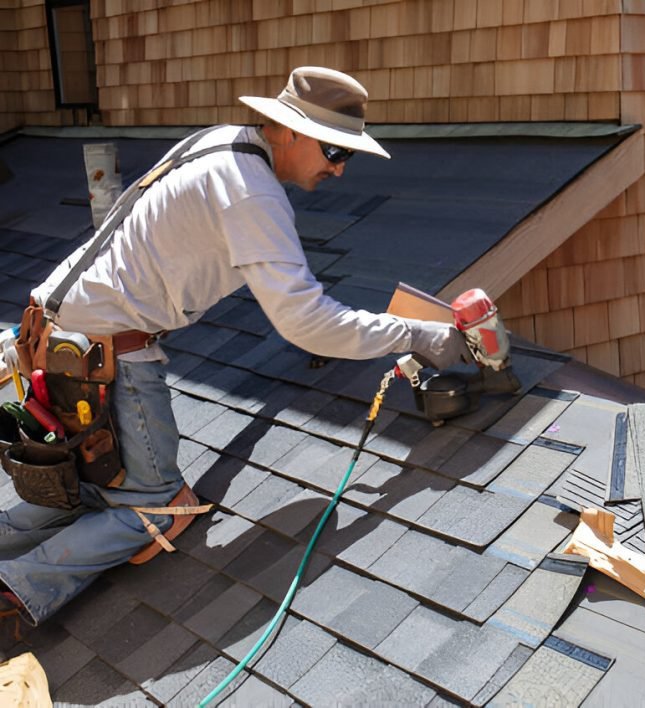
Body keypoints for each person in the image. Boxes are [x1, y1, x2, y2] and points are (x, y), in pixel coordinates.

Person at [0, 66, 471, 626]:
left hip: (52, 333)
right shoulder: (252, 193)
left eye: (350, 156)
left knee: (86, 488)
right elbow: (306, 322)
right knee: (158, 507)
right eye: (332, 150)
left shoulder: (221, 141)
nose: (339, 170)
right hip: (105, 351)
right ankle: (17, 585)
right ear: (287, 130)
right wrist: (421, 335)